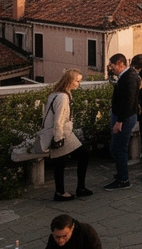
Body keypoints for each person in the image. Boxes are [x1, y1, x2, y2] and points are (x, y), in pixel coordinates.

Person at [44, 69, 92, 202]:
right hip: (61, 134)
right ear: (70, 81)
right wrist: (58, 138)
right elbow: (59, 119)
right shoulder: (63, 97)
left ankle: (64, 191)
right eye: (77, 81)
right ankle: (73, 190)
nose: (78, 84)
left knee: (61, 162)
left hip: (60, 133)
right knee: (82, 154)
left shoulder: (55, 94)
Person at [105, 53, 139, 190]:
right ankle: (121, 173)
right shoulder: (126, 76)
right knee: (118, 147)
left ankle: (123, 179)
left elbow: (128, 102)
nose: (111, 68)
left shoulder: (129, 78)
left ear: (120, 64)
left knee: (118, 147)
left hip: (124, 118)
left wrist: (120, 121)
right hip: (122, 116)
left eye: (112, 66)